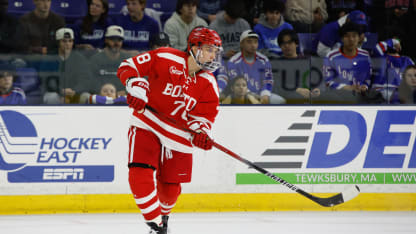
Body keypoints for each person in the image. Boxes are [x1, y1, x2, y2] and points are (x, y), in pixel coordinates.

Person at [117, 26, 222, 234]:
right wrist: (135, 86)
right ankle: (156, 225)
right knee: (139, 174)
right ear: (194, 47)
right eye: (209, 49)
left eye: (215, 51)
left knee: (170, 191)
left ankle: (162, 219)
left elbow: (203, 118)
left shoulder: (209, 84)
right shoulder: (165, 56)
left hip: (179, 136)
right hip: (147, 122)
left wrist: (201, 133)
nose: (213, 55)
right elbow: (128, 66)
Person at [218, 30, 286, 104]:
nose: (253, 45)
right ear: (241, 44)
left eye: (255, 42)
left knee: (281, 101)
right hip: (242, 95)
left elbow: (268, 80)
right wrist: (251, 96)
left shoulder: (264, 60)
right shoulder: (233, 61)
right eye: (249, 42)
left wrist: (265, 94)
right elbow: (236, 84)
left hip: (261, 94)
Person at [323, 22, 372, 103]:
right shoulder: (331, 56)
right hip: (337, 97)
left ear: (359, 38)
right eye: (347, 36)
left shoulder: (365, 55)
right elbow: (328, 82)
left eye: (354, 36)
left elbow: (368, 79)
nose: (351, 39)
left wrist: (364, 87)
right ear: (341, 39)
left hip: (360, 97)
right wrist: (348, 88)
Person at [41, 28, 93, 104]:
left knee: (86, 96)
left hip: (75, 93)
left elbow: (86, 80)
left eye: (70, 41)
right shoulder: (50, 58)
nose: (67, 44)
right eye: (64, 41)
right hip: (56, 92)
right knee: (52, 97)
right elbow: (47, 80)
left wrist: (75, 90)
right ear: (58, 42)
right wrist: (60, 91)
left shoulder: (80, 58)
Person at [277, 29, 321, 99]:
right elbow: (277, 86)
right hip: (291, 94)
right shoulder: (277, 64)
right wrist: (297, 90)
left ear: (296, 43)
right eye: (283, 43)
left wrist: (317, 88)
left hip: (310, 93)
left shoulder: (307, 61)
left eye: (290, 42)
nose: (287, 46)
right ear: (280, 46)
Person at [89, 25, 130, 95]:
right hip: (100, 95)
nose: (116, 43)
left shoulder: (128, 60)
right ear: (106, 40)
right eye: (113, 39)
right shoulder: (96, 59)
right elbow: (89, 79)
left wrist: (126, 91)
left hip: (122, 97)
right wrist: (100, 90)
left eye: (119, 40)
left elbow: (139, 79)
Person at [372, 37, 415, 104]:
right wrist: (391, 41)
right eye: (394, 44)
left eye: (397, 43)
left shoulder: (407, 60)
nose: (396, 45)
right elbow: (377, 47)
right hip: (381, 93)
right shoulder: (381, 57)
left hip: (401, 94)